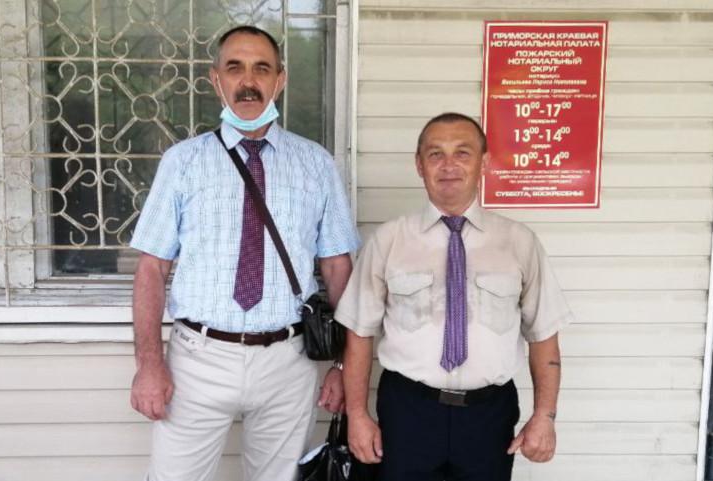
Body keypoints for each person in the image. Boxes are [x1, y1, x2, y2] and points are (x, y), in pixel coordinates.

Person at [128, 25, 360, 481]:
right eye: (235, 68)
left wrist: (342, 365)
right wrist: (149, 365)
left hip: (288, 361)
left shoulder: (315, 164)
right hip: (198, 359)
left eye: (261, 68)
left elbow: (338, 268)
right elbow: (152, 267)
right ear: (216, 80)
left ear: (280, 79)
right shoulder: (184, 162)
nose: (248, 81)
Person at [336, 113, 573, 480]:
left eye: (462, 153)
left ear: (484, 162)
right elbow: (359, 332)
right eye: (435, 154)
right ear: (419, 165)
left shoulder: (518, 242)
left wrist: (545, 415)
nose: (448, 165)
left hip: (489, 415)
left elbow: (544, 336)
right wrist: (357, 415)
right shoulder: (389, 240)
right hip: (407, 412)